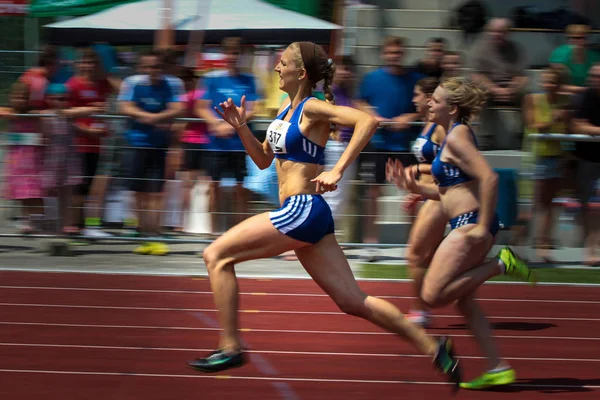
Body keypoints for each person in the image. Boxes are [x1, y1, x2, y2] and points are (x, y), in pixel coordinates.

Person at [188, 41, 461, 387]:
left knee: (216, 255)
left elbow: (367, 121)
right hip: (307, 214)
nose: (275, 68)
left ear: (300, 73)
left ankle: (231, 345)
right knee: (353, 301)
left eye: (281, 63)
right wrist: (241, 126)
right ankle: (435, 347)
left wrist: (338, 170)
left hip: (301, 209)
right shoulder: (285, 112)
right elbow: (262, 160)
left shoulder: (312, 107)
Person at [387, 77, 536, 390]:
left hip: (470, 225)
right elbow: (448, 194)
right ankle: (497, 367)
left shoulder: (457, 137)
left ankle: (501, 264)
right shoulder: (451, 137)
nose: (429, 103)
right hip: (464, 221)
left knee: (431, 295)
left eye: (436, 100)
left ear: (452, 108)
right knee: (465, 302)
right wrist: (413, 187)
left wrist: (481, 229)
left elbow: (490, 178)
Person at [400, 77, 446, 327]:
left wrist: (418, 170)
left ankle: (420, 312)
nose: (413, 99)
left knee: (415, 255)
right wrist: (418, 191)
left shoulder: (440, 128)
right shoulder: (427, 125)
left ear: (429, 98)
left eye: (416, 95)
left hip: (440, 198)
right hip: (429, 194)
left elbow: (447, 165)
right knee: (432, 258)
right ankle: (495, 266)